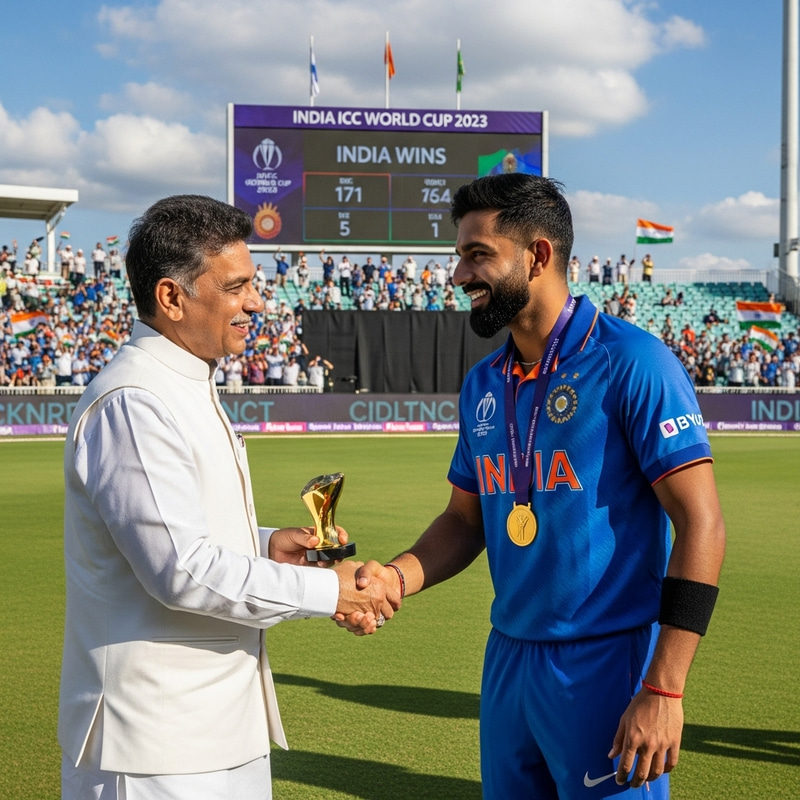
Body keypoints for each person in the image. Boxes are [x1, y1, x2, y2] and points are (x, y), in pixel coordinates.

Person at [338, 174, 726, 799]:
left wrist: (664, 689)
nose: (459, 275)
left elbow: (701, 523)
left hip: (605, 663)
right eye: (459, 256)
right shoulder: (483, 383)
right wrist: (396, 577)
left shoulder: (633, 363)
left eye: (477, 255)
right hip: (509, 663)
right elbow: (465, 520)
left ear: (538, 255)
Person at [58, 195, 399, 799]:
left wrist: (269, 545)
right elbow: (182, 570)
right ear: (171, 297)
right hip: (154, 746)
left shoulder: (183, 382)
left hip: (214, 730)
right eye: (237, 286)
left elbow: (181, 533)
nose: (256, 302)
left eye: (254, 284)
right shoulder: (137, 400)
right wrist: (330, 588)